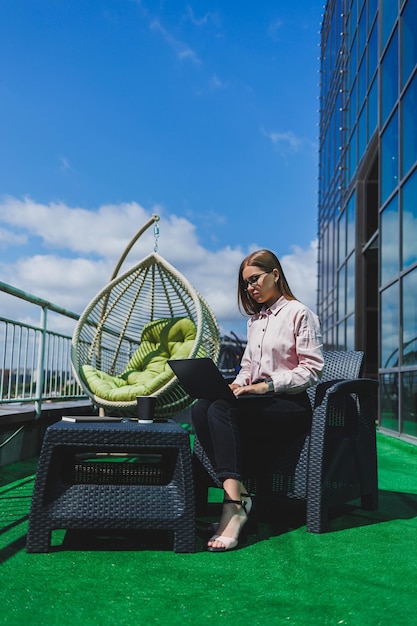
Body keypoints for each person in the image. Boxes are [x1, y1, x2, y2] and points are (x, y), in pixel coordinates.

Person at [192, 249, 324, 552]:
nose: (250, 288)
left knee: (221, 410)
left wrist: (265, 386)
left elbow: (312, 369)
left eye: (255, 279)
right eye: (246, 284)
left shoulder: (299, 313)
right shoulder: (256, 321)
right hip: (259, 402)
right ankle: (241, 497)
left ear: (275, 274)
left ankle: (233, 506)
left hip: (290, 405)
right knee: (202, 408)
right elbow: (248, 367)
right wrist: (237, 385)